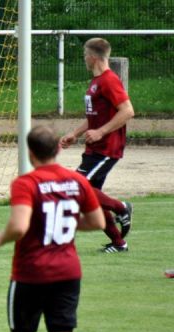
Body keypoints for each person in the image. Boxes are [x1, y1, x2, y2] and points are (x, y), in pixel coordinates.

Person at [0, 126, 106, 332]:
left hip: (30, 274)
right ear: (58, 149)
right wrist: (63, 224)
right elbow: (98, 222)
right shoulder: (76, 181)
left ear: (30, 154)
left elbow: (19, 226)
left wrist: (1, 237)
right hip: (67, 273)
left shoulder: (26, 183)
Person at [60, 37, 135, 253]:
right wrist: (75, 133)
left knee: (77, 187)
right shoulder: (96, 82)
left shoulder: (109, 80)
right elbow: (95, 117)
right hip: (95, 148)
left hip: (107, 148)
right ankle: (119, 243)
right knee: (92, 197)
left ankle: (121, 208)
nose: (84, 59)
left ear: (93, 57)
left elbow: (128, 110)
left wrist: (101, 131)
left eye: (85, 55)